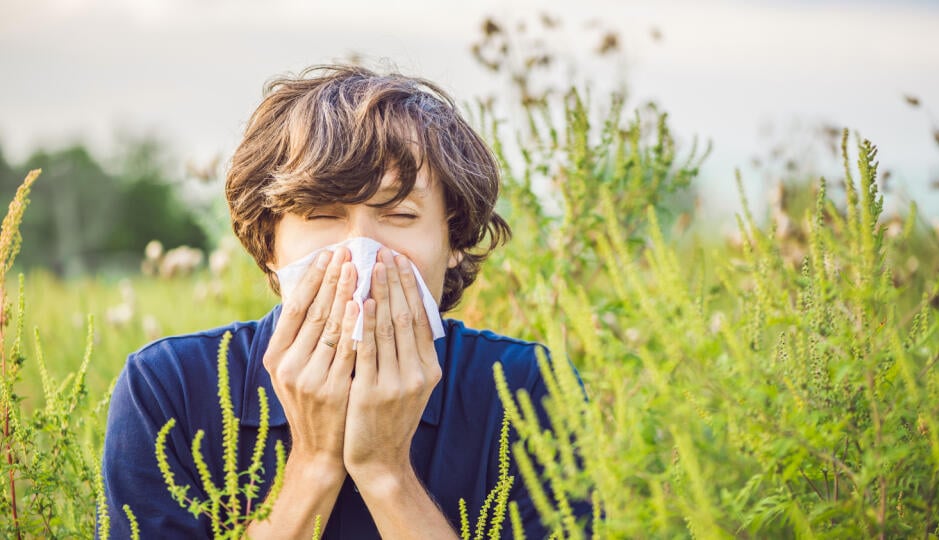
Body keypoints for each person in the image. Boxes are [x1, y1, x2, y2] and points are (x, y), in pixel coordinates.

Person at [101, 63, 587, 538]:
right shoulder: (169, 389)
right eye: (321, 215)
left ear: (454, 238)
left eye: (398, 214)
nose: (361, 254)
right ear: (269, 244)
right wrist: (314, 463)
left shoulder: (528, 390)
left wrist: (385, 473)